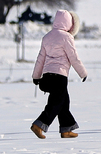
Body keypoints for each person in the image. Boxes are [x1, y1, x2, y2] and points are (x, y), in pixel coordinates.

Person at [30, 9, 88, 139]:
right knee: (56, 102)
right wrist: (83, 73)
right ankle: (39, 125)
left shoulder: (47, 37)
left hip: (47, 76)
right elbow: (73, 57)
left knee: (63, 101)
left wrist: (36, 76)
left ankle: (66, 129)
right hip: (59, 76)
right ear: (69, 23)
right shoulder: (66, 37)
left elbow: (41, 58)